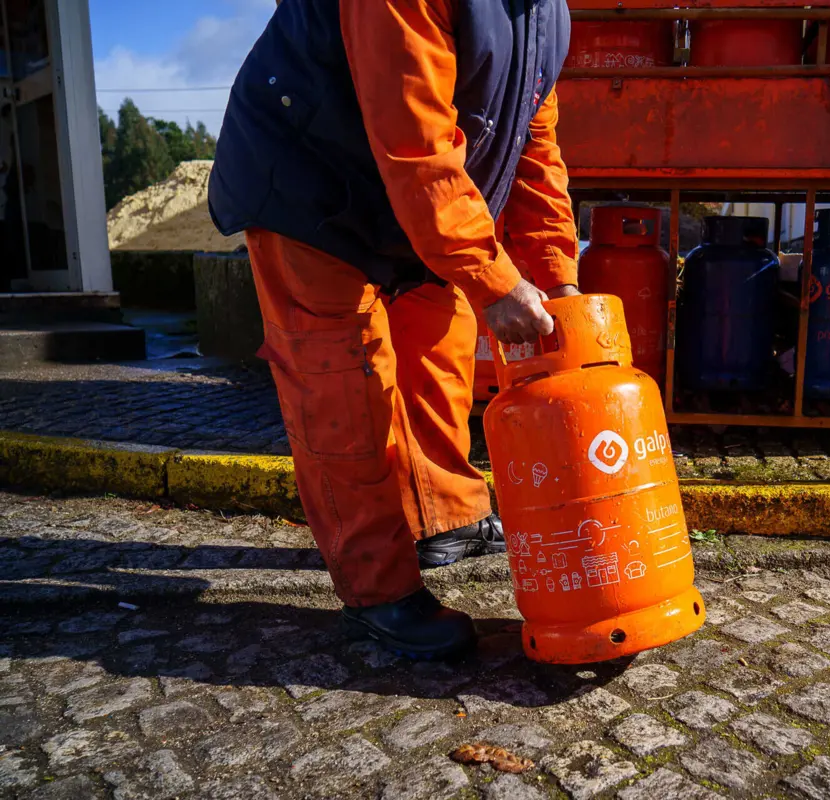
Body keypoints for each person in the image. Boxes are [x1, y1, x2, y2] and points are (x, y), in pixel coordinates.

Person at [208, 0, 577, 660]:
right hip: (310, 187)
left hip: (414, 208)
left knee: (441, 353)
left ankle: (447, 518)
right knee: (344, 393)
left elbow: (534, 148)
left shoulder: (550, 13)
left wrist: (557, 278)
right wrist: (491, 277)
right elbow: (414, 140)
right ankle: (376, 592)